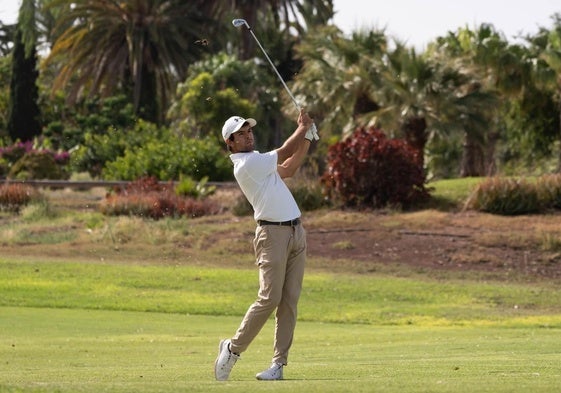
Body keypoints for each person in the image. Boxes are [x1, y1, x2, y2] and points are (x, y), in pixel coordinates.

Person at [214, 109, 317, 381]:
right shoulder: (246, 165)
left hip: (296, 232)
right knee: (269, 298)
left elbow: (290, 169)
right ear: (230, 143)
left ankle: (278, 365)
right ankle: (233, 349)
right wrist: (303, 128)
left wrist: (306, 139)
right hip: (272, 236)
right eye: (241, 134)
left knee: (289, 302)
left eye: (249, 132)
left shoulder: (259, 162)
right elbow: (284, 151)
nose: (248, 137)